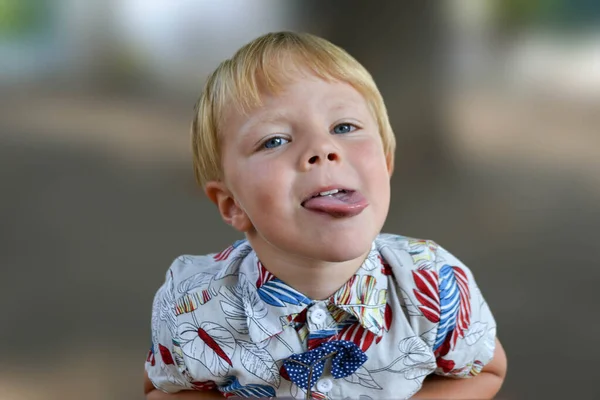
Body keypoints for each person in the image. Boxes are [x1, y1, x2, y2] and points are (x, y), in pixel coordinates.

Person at [143, 31, 507, 399]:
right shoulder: (192, 303)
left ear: (386, 163)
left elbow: (485, 370)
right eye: (275, 140)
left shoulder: (436, 284)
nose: (323, 148)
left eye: (344, 127)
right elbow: (165, 390)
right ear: (232, 204)